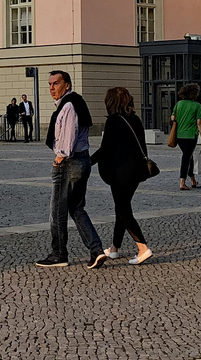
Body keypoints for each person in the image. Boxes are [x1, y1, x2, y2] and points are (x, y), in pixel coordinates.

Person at [35, 70, 106, 269]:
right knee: (76, 208)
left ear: (67, 85)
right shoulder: (74, 102)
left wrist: (59, 158)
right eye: (49, 84)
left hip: (69, 162)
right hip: (81, 160)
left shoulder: (68, 106)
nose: (51, 88)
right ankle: (96, 250)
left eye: (56, 83)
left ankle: (59, 254)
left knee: (57, 211)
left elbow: (68, 137)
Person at [90, 86, 154, 265]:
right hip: (136, 172)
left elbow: (105, 149)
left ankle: (142, 248)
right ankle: (114, 248)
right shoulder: (135, 119)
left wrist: (88, 163)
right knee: (122, 207)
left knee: (123, 210)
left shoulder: (113, 121)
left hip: (119, 173)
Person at [170, 83, 201, 190]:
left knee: (188, 156)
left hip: (179, 135)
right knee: (186, 158)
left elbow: (173, 118)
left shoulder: (179, 104)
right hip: (191, 135)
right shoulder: (197, 106)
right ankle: (182, 182)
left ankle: (193, 180)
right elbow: (199, 123)